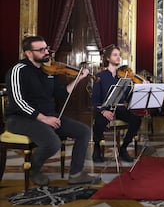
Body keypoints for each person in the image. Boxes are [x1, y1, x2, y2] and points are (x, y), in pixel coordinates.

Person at [5, 36, 101, 186]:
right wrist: (43, 118)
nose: (46, 52)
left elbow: (62, 93)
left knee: (84, 131)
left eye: (46, 48)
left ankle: (76, 174)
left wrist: (78, 79)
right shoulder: (18, 70)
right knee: (53, 143)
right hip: (20, 118)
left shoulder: (49, 70)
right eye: (41, 50)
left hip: (47, 116)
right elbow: (18, 102)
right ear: (29, 53)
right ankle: (34, 170)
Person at [91, 45, 147, 163]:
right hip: (105, 108)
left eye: (119, 55)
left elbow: (127, 97)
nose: (118, 58)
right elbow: (95, 101)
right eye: (115, 55)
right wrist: (103, 111)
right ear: (107, 58)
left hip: (120, 108)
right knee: (99, 122)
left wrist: (139, 87)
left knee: (136, 120)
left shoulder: (123, 76)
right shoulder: (100, 76)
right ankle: (96, 148)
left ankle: (123, 148)